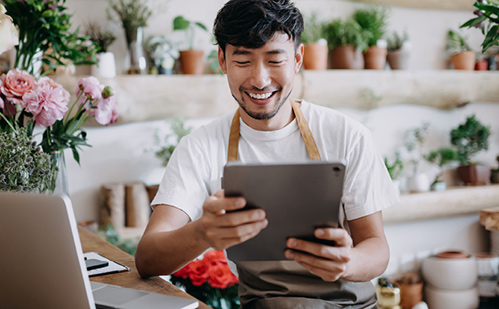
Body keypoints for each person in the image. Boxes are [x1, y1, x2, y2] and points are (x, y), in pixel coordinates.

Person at [135, 0, 399, 307]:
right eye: (243, 61)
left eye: (275, 61)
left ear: (298, 58)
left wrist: (348, 261)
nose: (260, 80)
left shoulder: (346, 135)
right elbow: (147, 258)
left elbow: (377, 248)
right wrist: (203, 232)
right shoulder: (200, 147)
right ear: (222, 60)